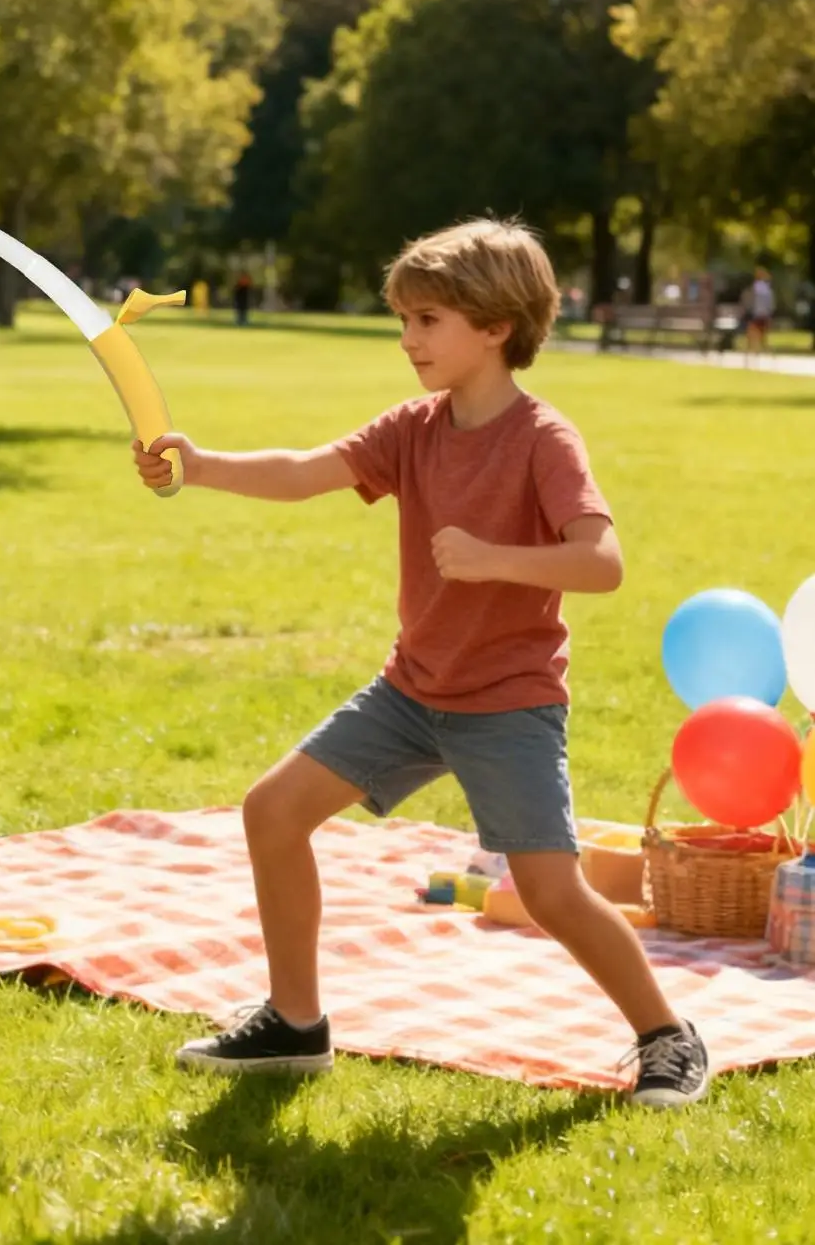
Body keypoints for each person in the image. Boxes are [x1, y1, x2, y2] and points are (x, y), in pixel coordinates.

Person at [133, 218, 709, 1108]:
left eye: (427, 319)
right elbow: (304, 470)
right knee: (272, 811)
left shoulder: (542, 438)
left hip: (507, 703)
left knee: (550, 891)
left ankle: (667, 1036)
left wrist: (492, 558)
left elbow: (602, 562)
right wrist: (200, 465)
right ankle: (294, 1024)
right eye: (403, 319)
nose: (407, 338)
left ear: (496, 325)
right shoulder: (413, 427)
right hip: (411, 690)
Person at [746, 267, 775, 357]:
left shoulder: (755, 287)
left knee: (752, 331)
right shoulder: (767, 288)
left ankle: (753, 349)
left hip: (756, 312)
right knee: (762, 332)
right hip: (765, 313)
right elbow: (770, 303)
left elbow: (750, 299)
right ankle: (763, 349)